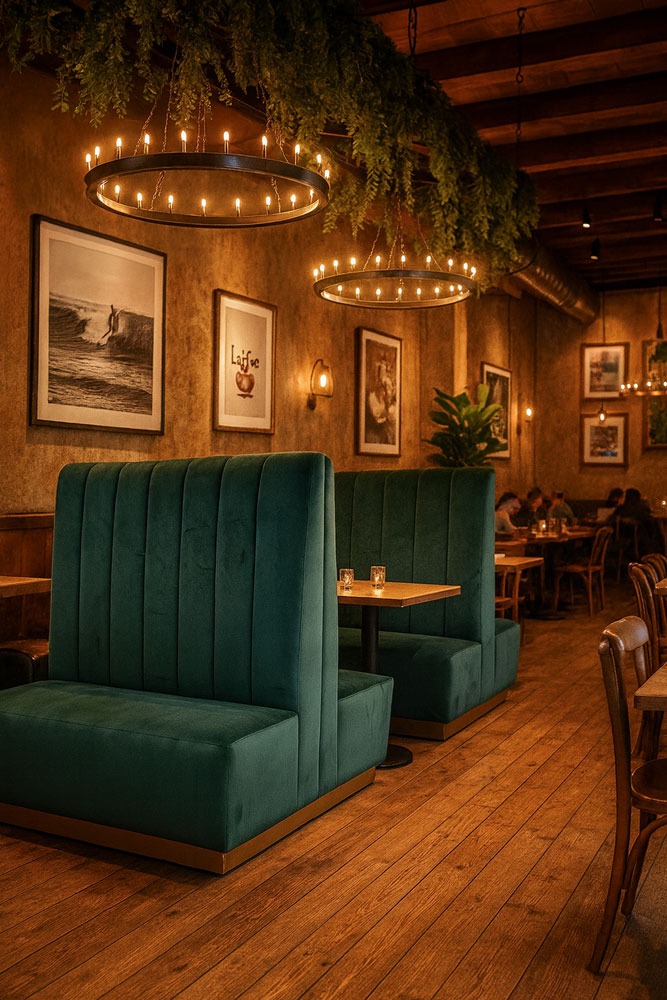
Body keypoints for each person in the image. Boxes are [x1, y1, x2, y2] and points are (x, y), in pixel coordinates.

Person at [609, 487, 665, 556]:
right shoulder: (642, 507)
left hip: (628, 538)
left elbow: (612, 519)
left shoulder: (624, 509)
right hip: (646, 541)